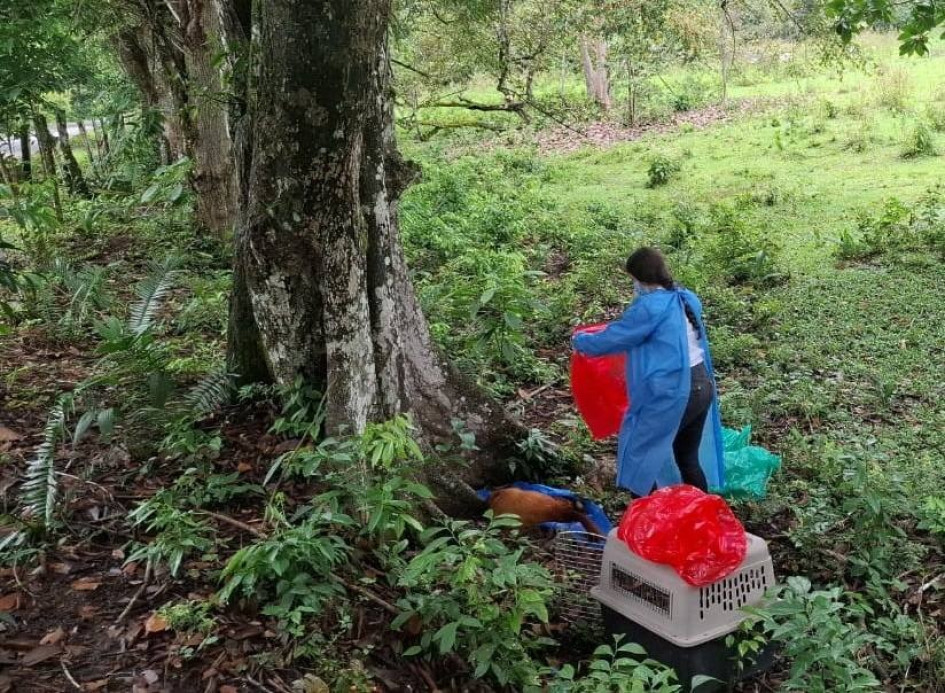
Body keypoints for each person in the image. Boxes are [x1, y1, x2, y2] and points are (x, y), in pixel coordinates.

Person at [571, 247, 725, 497]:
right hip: (702, 385)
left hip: (674, 391)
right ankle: (703, 515)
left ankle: (648, 522)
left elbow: (616, 338)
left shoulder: (650, 307)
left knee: (637, 457)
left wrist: (579, 341)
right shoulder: (684, 297)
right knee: (687, 457)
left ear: (638, 277)